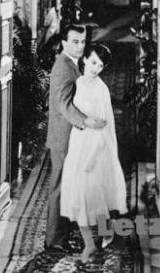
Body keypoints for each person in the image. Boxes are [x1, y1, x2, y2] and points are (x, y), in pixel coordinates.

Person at [60, 43, 127, 261]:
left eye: (100, 65)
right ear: (85, 60)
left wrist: (92, 158)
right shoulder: (79, 83)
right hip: (78, 142)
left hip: (95, 148)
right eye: (93, 62)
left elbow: (104, 127)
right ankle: (89, 244)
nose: (96, 68)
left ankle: (107, 233)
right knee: (77, 196)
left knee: (95, 197)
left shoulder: (101, 90)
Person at [45, 25, 107, 252]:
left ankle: (62, 236)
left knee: (69, 185)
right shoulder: (63, 67)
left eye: (82, 41)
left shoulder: (72, 63)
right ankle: (54, 241)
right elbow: (64, 105)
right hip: (63, 136)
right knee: (61, 187)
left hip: (72, 135)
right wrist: (86, 121)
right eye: (75, 42)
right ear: (63, 43)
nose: (80, 46)